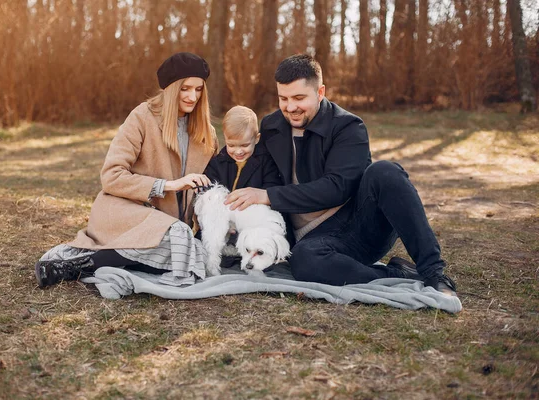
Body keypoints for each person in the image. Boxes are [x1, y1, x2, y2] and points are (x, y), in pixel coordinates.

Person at [225, 54, 457, 296]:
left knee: (385, 171)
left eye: (299, 98)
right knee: (304, 261)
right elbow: (258, 174)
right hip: (309, 242)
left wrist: (268, 195)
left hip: (357, 227)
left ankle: (433, 272)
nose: (290, 107)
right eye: (283, 98)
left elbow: (336, 188)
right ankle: (396, 275)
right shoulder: (271, 127)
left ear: (320, 92)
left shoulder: (348, 127)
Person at [35, 52, 218, 288]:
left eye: (198, 89)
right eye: (185, 89)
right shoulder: (142, 117)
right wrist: (168, 185)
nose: (193, 96)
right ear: (171, 89)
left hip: (170, 225)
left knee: (194, 253)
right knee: (179, 238)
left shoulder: (207, 134)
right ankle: (78, 265)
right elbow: (111, 176)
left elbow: (211, 187)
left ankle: (113, 261)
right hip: (127, 212)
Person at [204, 105, 282, 192]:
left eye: (244, 145)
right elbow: (210, 190)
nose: (238, 152)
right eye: (231, 145)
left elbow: (271, 186)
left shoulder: (266, 163)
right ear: (225, 139)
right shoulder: (217, 164)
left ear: (257, 139)